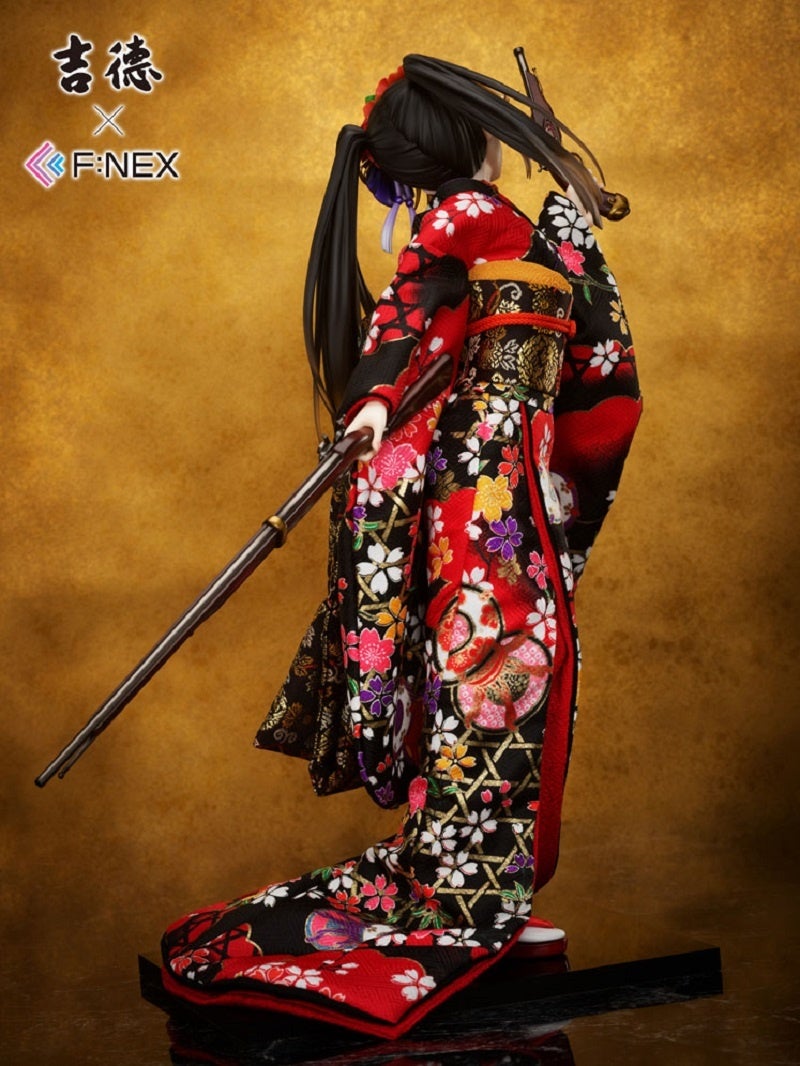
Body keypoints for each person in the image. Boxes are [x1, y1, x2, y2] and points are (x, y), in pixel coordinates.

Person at [160, 53, 642, 1039]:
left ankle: (483, 884)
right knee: (493, 679)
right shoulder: (463, 215)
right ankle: (469, 895)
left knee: (497, 680)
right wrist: (378, 399)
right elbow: (410, 311)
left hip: (499, 479)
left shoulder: (498, 220)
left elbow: (521, 315)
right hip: (491, 485)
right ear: (461, 143)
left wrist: (569, 217)